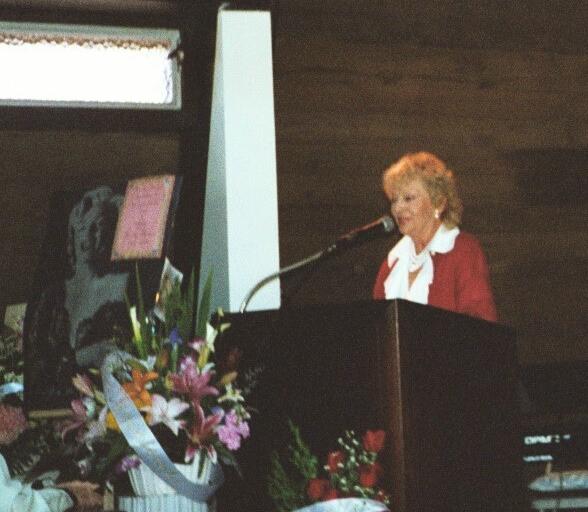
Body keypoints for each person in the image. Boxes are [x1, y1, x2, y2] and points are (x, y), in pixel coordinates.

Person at [25, 186, 131, 407]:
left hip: (107, 407)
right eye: (82, 228)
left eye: (98, 226)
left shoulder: (123, 285)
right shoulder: (53, 297)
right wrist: (84, 356)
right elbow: (36, 367)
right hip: (53, 407)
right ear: (72, 233)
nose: (89, 236)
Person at [372, 152, 497, 322]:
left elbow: (481, 323)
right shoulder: (391, 265)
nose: (398, 208)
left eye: (408, 198)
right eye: (394, 200)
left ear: (438, 202)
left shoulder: (463, 250)